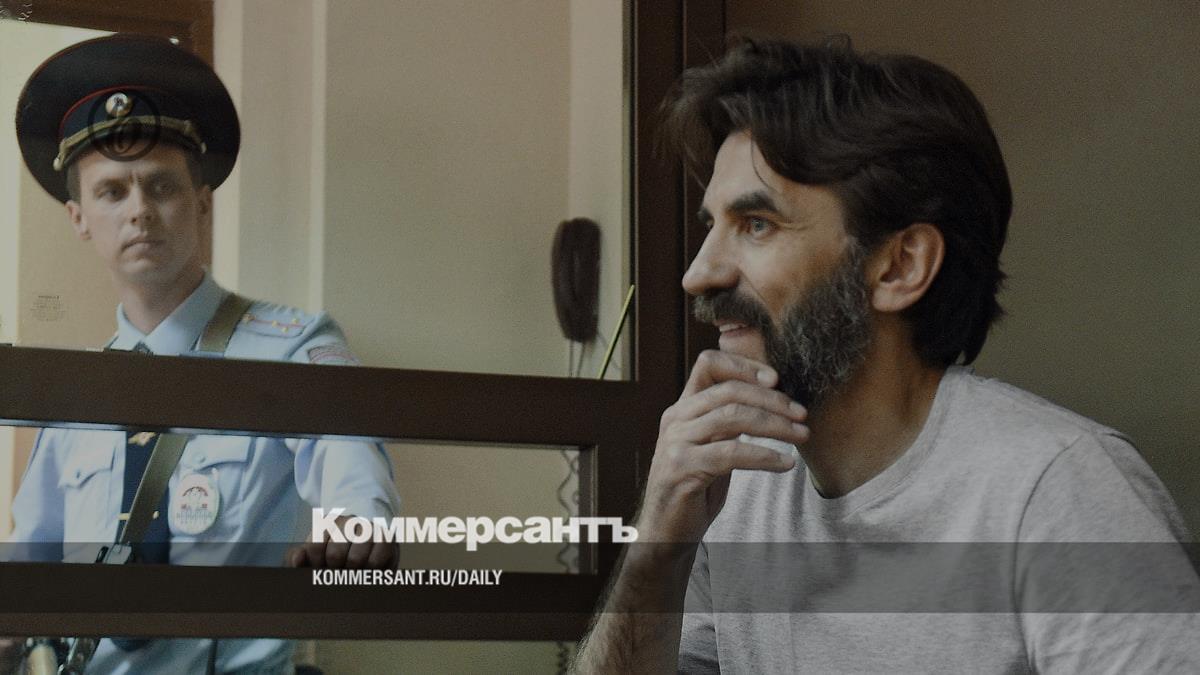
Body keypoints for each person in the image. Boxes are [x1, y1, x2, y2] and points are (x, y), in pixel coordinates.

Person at [573, 38, 1200, 673]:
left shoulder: (1057, 492)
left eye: (757, 224)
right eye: (713, 227)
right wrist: (656, 552)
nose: (698, 274)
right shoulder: (735, 490)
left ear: (900, 266)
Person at [1, 35, 402, 674]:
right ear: (79, 218)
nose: (139, 212)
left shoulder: (290, 346)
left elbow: (349, 461)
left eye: (161, 186)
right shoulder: (74, 392)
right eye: (112, 192)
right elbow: (31, 558)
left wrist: (357, 524)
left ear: (202, 202)